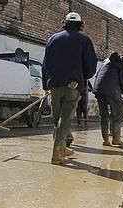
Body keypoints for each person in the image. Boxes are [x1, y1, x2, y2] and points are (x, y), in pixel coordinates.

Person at [42, 12, 97, 165]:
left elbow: (45, 64)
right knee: (65, 119)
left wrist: (46, 84)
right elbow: (90, 67)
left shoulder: (53, 39)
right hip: (71, 85)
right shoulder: (84, 40)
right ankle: (57, 154)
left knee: (57, 118)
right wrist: (82, 80)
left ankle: (62, 147)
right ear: (80, 24)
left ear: (65, 22)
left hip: (54, 84)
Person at [93, 51, 123, 146]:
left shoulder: (107, 61)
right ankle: (116, 139)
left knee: (104, 116)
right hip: (111, 90)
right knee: (118, 113)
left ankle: (106, 140)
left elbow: (97, 75)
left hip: (99, 90)